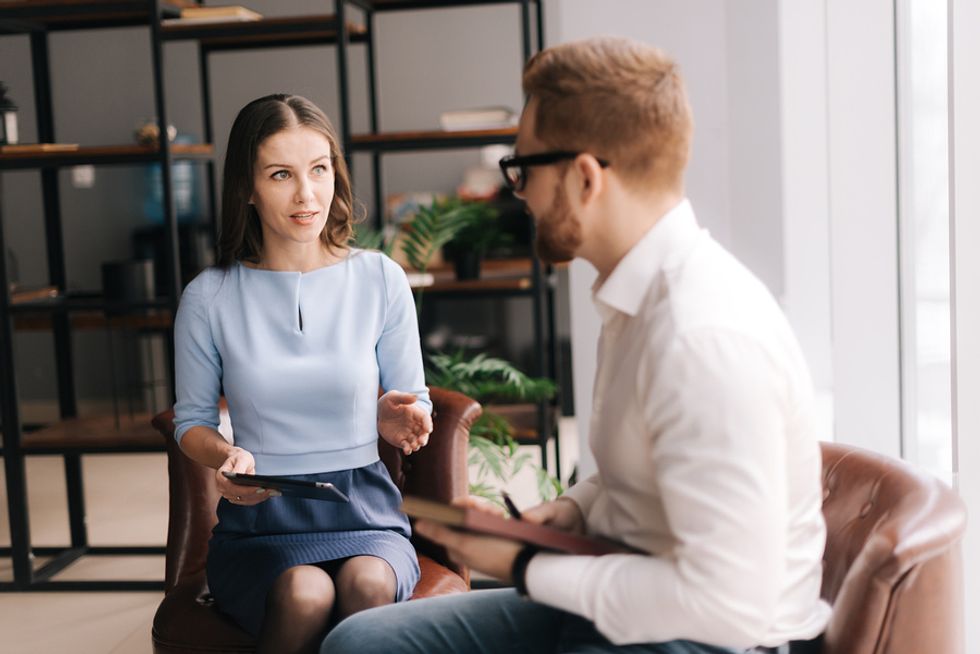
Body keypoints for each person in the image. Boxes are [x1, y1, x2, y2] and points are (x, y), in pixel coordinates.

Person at [321, 36, 831, 654]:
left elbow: (726, 605)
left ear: (585, 178)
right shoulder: (636, 301)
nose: (522, 194)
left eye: (524, 170)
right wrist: (576, 511)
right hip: (626, 597)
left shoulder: (701, 336)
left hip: (703, 640)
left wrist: (524, 566)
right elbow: (644, 477)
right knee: (361, 644)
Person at [173, 93, 433, 654]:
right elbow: (190, 422)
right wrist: (225, 457)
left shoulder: (380, 279)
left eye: (319, 170)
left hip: (363, 509)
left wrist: (399, 416)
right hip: (264, 518)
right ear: (247, 186)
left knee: (367, 582)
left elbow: (416, 399)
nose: (306, 194)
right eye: (280, 174)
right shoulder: (209, 296)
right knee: (305, 591)